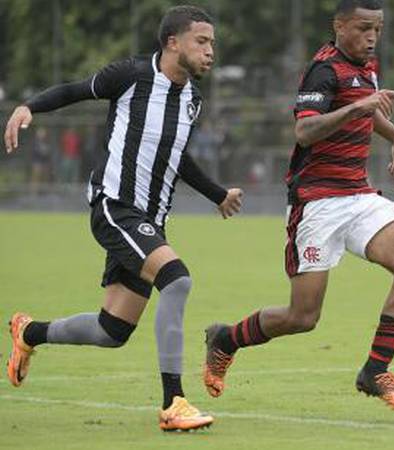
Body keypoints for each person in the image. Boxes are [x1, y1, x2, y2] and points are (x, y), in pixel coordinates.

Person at [3, 5, 243, 431]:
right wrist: (29, 107)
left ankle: (29, 332)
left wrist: (218, 194)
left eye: (212, 43)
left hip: (151, 219)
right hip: (115, 206)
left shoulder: (193, 98)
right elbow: (75, 89)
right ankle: (174, 403)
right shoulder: (130, 75)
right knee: (178, 278)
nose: (211, 51)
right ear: (173, 43)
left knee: (110, 330)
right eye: (201, 41)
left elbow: (177, 158)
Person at [201, 0, 394, 412]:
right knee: (303, 318)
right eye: (363, 28)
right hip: (317, 202)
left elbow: (367, 109)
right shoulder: (322, 69)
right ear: (339, 26)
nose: (372, 37)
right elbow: (305, 130)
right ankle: (225, 338)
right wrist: (359, 106)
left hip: (358, 196)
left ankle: (375, 370)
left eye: (377, 29)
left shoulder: (364, 68)